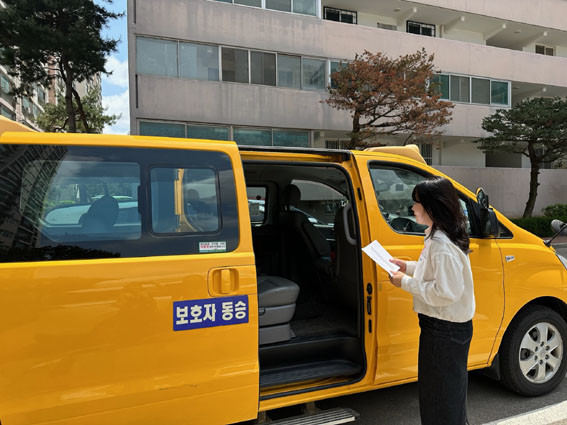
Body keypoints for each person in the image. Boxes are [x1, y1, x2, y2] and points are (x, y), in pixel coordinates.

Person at [389, 177, 475, 425]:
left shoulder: (441, 244)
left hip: (444, 330)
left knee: (440, 400)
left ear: (432, 206)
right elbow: (435, 272)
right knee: (445, 397)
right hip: (445, 328)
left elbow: (445, 292)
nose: (413, 207)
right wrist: (407, 267)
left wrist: (404, 282)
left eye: (417, 202)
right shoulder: (439, 236)